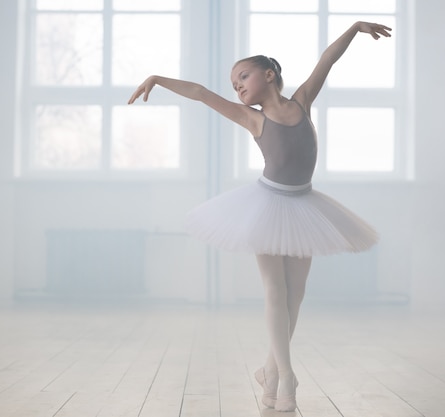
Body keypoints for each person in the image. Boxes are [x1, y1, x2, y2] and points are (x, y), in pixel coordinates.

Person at [129, 21, 391, 412]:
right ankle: (286, 376)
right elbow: (201, 93)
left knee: (296, 293)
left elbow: (327, 60)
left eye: (242, 77)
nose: (237, 86)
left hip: (305, 206)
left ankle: (271, 369)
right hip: (267, 206)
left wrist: (354, 29)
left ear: (269, 75)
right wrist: (157, 79)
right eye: (234, 83)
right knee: (275, 290)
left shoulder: (302, 102)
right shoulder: (253, 119)